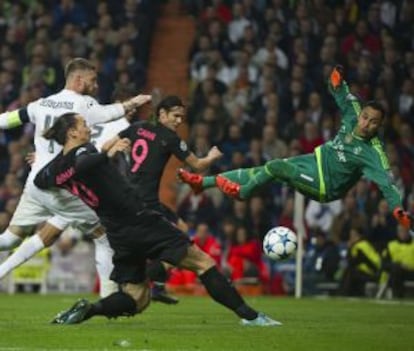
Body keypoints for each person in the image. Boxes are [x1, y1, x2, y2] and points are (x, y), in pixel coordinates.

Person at [34, 113, 280, 327]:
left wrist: (59, 164)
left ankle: (90, 310)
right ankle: (251, 316)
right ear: (73, 132)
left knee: (137, 299)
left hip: (117, 232)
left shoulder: (58, 168)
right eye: (83, 124)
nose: (88, 128)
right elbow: (85, 161)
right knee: (203, 263)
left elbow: (40, 180)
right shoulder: (84, 152)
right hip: (140, 219)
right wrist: (106, 152)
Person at [178, 65, 414, 231]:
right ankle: (202, 184)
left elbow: (387, 183)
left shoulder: (374, 152)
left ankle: (242, 193)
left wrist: (398, 211)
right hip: (314, 161)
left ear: (379, 126)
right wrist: (336, 80)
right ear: (361, 114)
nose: (367, 124)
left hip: (325, 185)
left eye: (374, 122)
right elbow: (341, 93)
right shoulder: (353, 112)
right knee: (260, 170)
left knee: (275, 166)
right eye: (366, 117)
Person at [0, 57, 151, 297]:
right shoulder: (84, 104)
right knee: (104, 234)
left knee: (9, 239)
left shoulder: (41, 104)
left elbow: (7, 120)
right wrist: (132, 102)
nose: (96, 86)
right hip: (64, 185)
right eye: (92, 81)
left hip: (35, 185)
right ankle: (109, 298)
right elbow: (107, 113)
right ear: (79, 81)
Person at [95, 94, 223, 304]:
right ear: (162, 114)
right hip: (146, 204)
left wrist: (118, 152)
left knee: (179, 228)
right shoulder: (169, 138)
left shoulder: (136, 127)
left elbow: (104, 147)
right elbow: (198, 166)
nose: (179, 121)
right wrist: (212, 157)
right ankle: (151, 277)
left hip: (129, 198)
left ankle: (157, 285)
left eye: (182, 117)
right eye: (175, 116)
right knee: (178, 242)